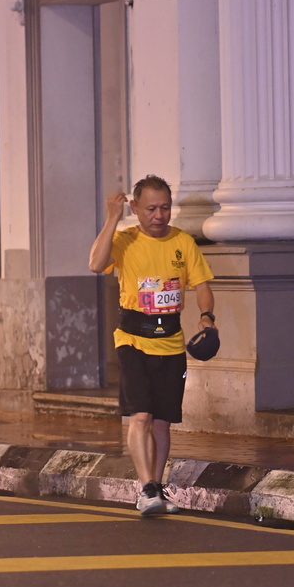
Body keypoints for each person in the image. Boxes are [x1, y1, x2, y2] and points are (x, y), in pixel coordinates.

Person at [89, 174, 217, 516]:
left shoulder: (183, 242)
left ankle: (155, 489)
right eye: (151, 209)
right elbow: (95, 264)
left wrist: (207, 317)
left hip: (171, 341)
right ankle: (146, 487)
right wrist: (112, 219)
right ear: (135, 208)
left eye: (165, 208)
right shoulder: (125, 239)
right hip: (132, 339)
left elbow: (202, 285)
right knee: (141, 414)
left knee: (162, 422)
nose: (159, 215)